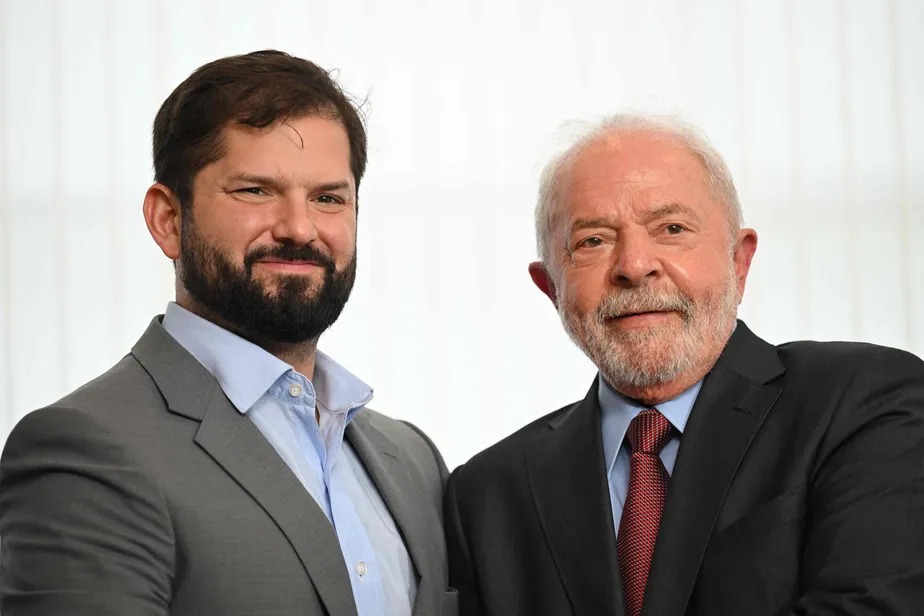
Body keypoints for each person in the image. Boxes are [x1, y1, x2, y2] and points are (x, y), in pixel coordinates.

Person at [0, 50, 455, 616]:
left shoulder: (412, 461)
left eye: (328, 198)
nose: (298, 228)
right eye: (254, 191)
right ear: (169, 220)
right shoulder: (84, 453)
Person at [444, 113, 924, 616]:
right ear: (551, 289)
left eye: (671, 228)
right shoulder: (485, 495)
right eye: (593, 240)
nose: (633, 265)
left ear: (739, 262)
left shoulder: (864, 403)